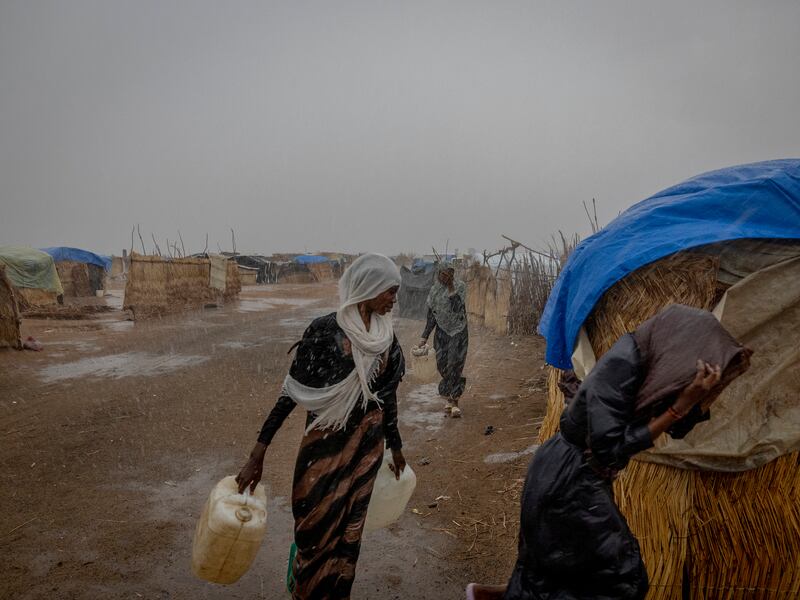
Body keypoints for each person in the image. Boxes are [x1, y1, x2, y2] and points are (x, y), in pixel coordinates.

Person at [466, 305, 752, 600]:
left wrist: (711, 389)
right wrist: (678, 408)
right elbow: (609, 449)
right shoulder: (623, 364)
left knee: (555, 568)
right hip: (567, 479)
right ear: (683, 342)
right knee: (623, 577)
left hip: (574, 475)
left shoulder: (650, 368)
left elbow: (677, 430)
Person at [236, 254, 408, 600]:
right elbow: (291, 394)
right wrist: (258, 453)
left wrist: (396, 445)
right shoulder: (324, 331)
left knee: (349, 534)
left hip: (366, 451)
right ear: (369, 288)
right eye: (390, 291)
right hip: (324, 449)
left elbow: (387, 398)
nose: (394, 300)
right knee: (314, 528)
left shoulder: (387, 339)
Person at [419, 264, 468, 417]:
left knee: (454, 363)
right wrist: (425, 336)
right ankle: (449, 395)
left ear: (452, 275)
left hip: (459, 331)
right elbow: (432, 314)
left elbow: (456, 307)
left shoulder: (460, 287)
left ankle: (454, 401)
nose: (443, 277)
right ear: (438, 273)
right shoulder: (434, 291)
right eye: (441, 274)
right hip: (441, 332)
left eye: (447, 275)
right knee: (441, 363)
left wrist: (451, 287)